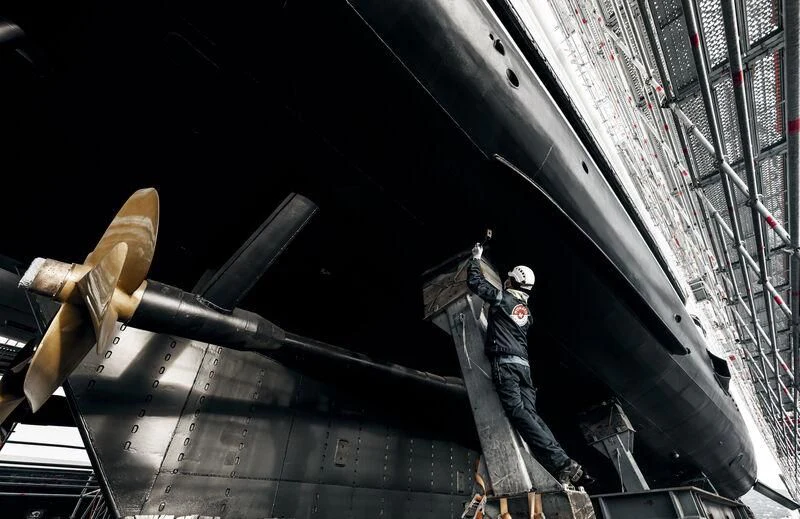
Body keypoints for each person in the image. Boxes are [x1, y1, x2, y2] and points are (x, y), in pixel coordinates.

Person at [466, 242, 591, 486]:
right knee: (531, 416)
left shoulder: (503, 299)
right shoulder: (526, 313)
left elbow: (475, 284)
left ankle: (563, 463)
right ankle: (565, 462)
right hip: (523, 368)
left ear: (512, 281)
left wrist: (476, 259)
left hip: (507, 367)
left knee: (519, 414)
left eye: (509, 278)